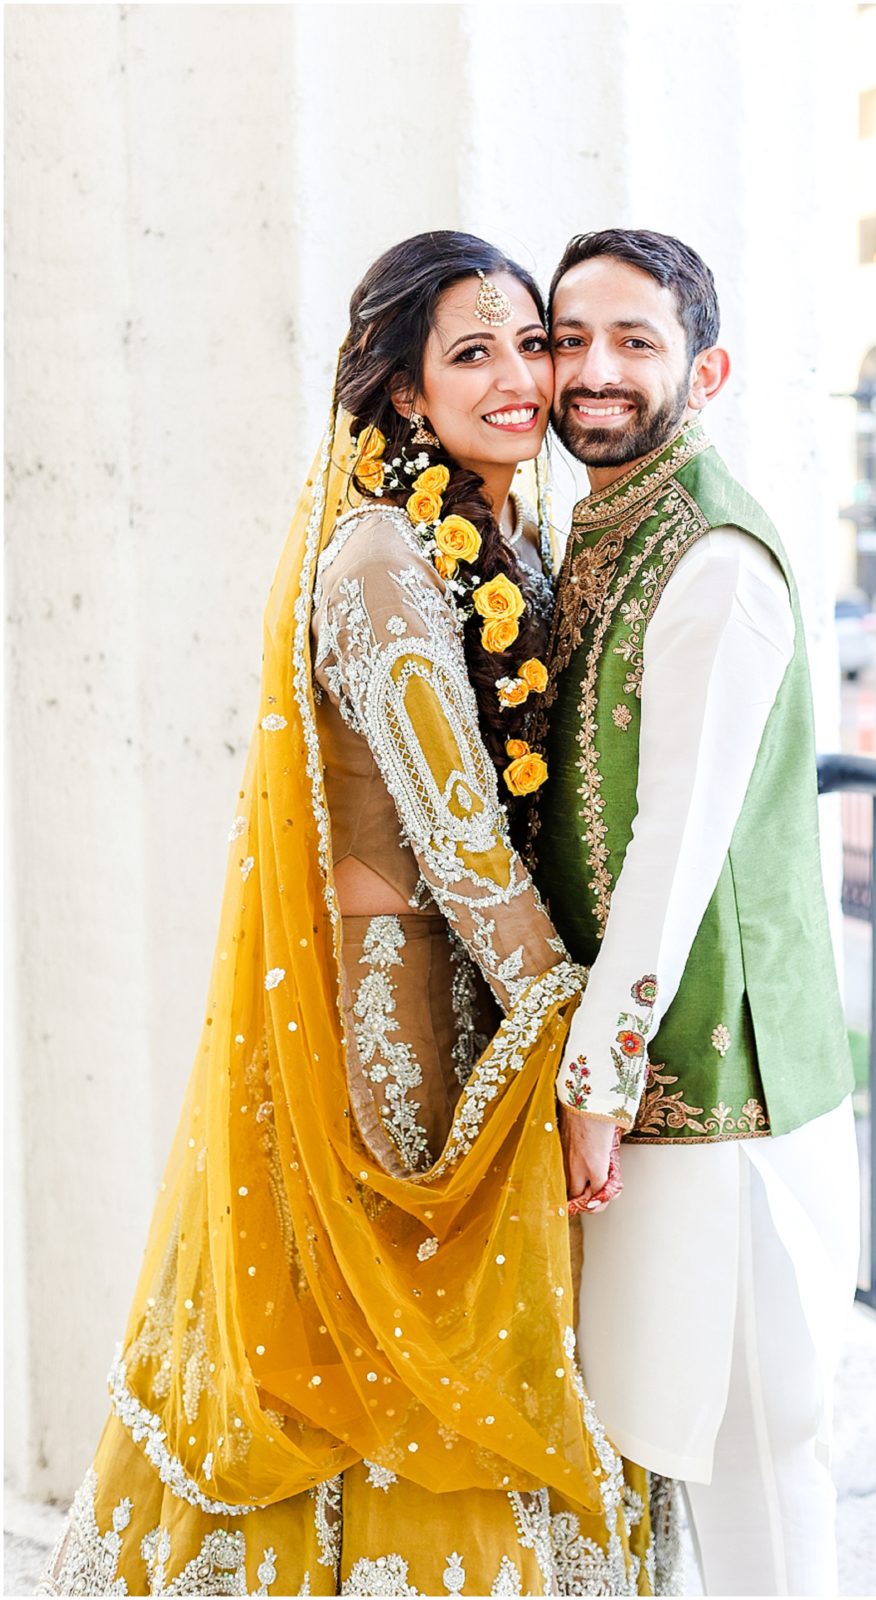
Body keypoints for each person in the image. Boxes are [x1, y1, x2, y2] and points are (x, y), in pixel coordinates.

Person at [38, 233, 683, 1598]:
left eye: (531, 344)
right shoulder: (383, 558)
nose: (522, 379)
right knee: (382, 1343)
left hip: (474, 988)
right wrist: (580, 1038)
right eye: (473, 353)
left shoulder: (502, 530)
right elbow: (457, 844)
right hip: (400, 1019)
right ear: (402, 392)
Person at [526, 229, 862, 1597]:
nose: (591, 371)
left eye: (634, 342)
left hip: (715, 1075)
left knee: (752, 1434)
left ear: (702, 370)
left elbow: (677, 840)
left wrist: (595, 1075)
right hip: (650, 1063)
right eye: (569, 338)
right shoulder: (609, 524)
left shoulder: (711, 557)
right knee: (672, 1424)